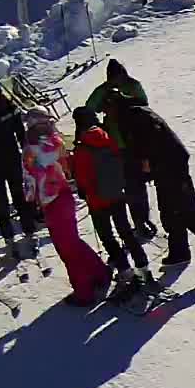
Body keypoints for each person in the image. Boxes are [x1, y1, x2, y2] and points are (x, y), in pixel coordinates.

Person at [108, 102, 195, 270]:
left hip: (172, 167)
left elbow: (143, 150)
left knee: (188, 211)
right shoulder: (136, 113)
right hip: (166, 167)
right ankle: (179, 252)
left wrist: (142, 170)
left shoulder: (132, 120)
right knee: (169, 211)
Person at [23, 109, 109, 305]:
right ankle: (99, 272)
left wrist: (30, 201)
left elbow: (32, 175)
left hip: (55, 200)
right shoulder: (53, 141)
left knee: (67, 247)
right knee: (71, 243)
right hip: (59, 198)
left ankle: (84, 291)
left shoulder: (39, 146)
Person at [70, 106, 149, 295]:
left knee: (107, 237)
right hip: (117, 194)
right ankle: (143, 268)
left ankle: (125, 271)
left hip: (98, 201)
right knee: (126, 232)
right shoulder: (106, 137)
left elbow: (82, 177)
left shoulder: (82, 148)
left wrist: (83, 191)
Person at [86, 59, 156, 237]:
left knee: (137, 186)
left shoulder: (133, 86)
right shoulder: (105, 90)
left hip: (134, 142)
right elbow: (89, 108)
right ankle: (139, 221)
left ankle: (143, 220)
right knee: (129, 186)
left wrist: (122, 101)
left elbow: (143, 105)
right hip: (116, 146)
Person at [0, 76, 41, 258]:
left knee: (19, 195)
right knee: (1, 200)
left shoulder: (10, 108)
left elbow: (20, 131)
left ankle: (29, 232)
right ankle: (8, 237)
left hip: (11, 156)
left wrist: (26, 150)